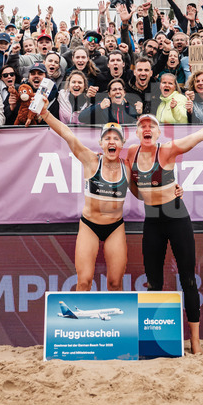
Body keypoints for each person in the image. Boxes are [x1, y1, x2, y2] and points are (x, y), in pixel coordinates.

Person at [126, 112, 203, 355]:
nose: (147, 128)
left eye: (151, 126)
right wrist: (152, 194)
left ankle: (195, 341)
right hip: (152, 218)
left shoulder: (166, 150)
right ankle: (155, 340)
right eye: (142, 126)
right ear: (136, 132)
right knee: (153, 281)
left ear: (157, 132)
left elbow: (201, 135)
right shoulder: (131, 154)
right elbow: (134, 189)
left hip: (176, 215)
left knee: (188, 279)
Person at [40, 114, 131, 291]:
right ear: (101, 143)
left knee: (114, 283)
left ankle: (116, 317)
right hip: (90, 226)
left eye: (115, 139)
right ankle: (78, 318)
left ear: (122, 144)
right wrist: (45, 114)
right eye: (107, 138)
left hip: (115, 227)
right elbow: (67, 134)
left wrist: (173, 191)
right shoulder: (91, 160)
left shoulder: (127, 167)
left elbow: (146, 191)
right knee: (84, 281)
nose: (111, 142)